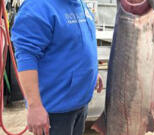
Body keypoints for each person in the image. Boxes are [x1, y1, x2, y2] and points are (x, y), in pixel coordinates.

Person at [11, 0, 103, 135]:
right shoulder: (38, 6)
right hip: (56, 112)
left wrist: (92, 73)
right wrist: (34, 106)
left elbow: (78, 44)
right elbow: (26, 57)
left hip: (80, 103)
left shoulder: (78, 4)